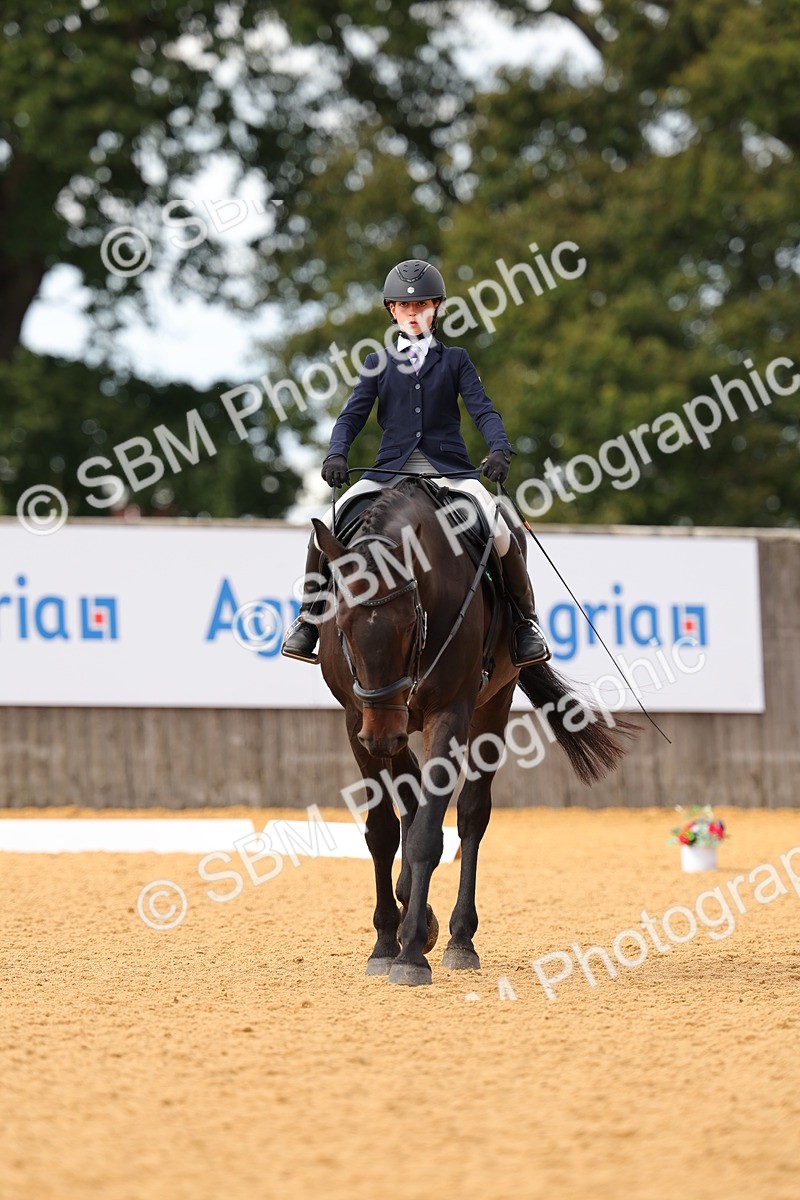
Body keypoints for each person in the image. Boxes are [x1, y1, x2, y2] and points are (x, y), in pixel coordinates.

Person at [281, 258, 551, 666]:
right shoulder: (378, 362)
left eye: (422, 305)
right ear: (392, 310)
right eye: (405, 307)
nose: (413, 313)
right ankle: (308, 618)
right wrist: (337, 452)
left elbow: (484, 411)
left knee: (500, 527)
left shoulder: (456, 360)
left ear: (437, 307)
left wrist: (499, 448)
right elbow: (352, 415)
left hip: (450, 473)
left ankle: (524, 623)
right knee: (326, 527)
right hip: (389, 471)